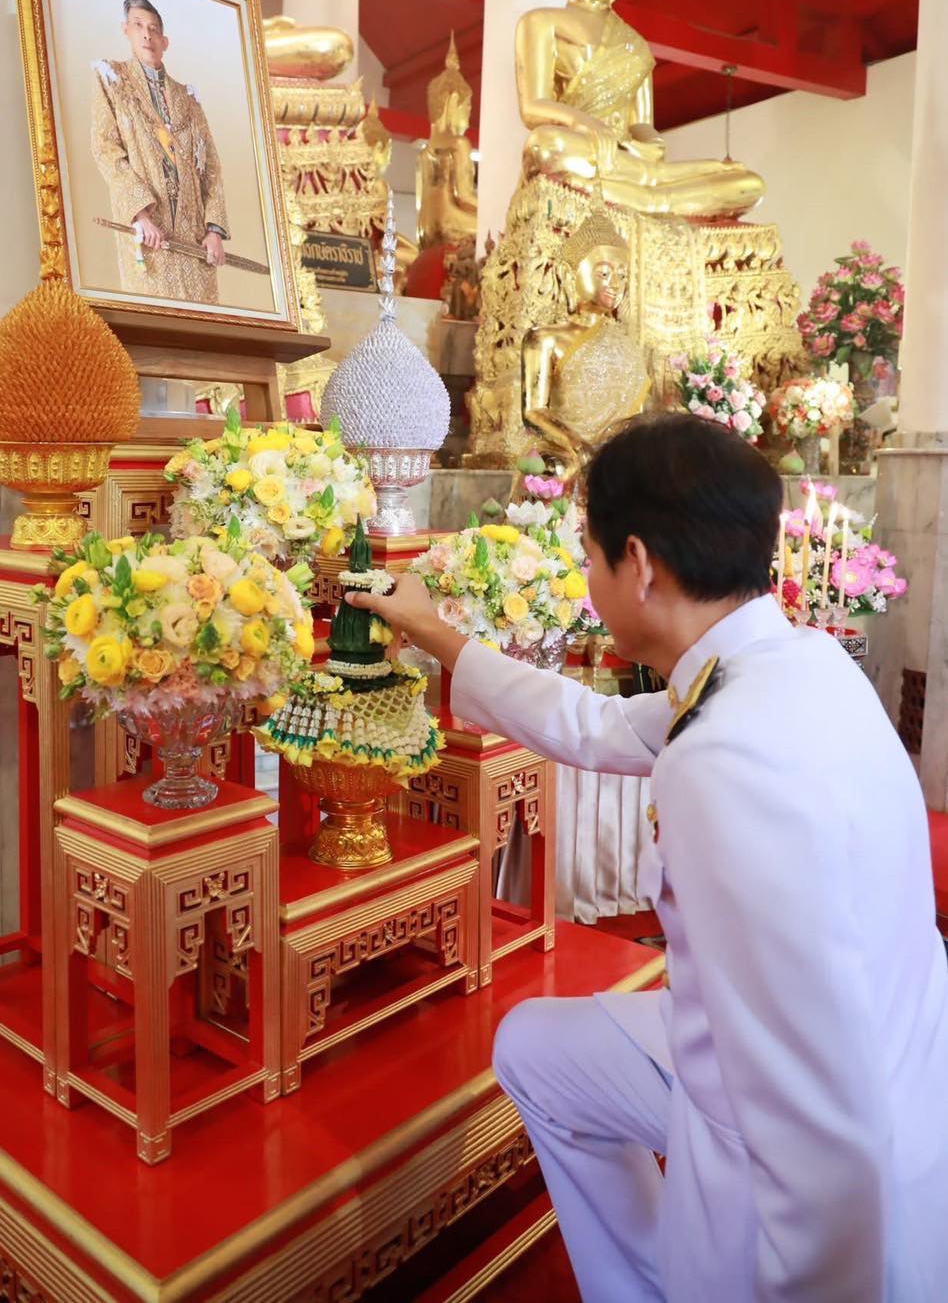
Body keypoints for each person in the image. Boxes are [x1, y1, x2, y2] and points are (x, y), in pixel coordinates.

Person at [347, 414, 948, 1303]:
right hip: (875, 1072)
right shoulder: (794, 666)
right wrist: (436, 635)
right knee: (538, 1050)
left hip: (823, 1173)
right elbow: (592, 725)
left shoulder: (729, 763)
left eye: (587, 559)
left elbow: (823, 1132)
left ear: (640, 564)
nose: (587, 582)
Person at [91, 0, 229, 304]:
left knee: (203, 335)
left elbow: (211, 167)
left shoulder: (188, 98)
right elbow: (106, 149)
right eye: (138, 26)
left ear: (165, 41)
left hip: (195, 242)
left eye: (153, 29)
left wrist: (214, 231)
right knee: (156, 333)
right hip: (150, 235)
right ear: (125, 30)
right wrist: (140, 214)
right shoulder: (112, 79)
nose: (146, 35)